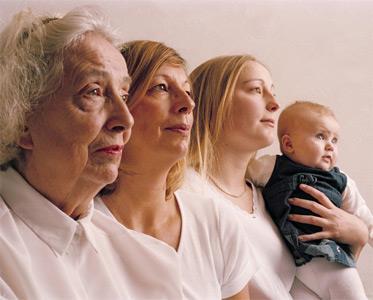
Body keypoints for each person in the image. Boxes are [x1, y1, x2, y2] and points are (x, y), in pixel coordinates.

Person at [0, 8, 184, 299]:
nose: (126, 119)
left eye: (124, 95)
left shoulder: (147, 261)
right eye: (93, 92)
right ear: (23, 119)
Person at [184, 54, 370, 299]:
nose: (274, 104)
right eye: (256, 90)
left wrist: (357, 236)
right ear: (214, 102)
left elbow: (322, 277)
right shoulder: (186, 192)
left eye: (272, 91)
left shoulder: (270, 196)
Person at [95, 40, 257, 299]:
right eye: (160, 88)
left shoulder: (215, 222)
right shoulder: (82, 227)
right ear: (119, 105)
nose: (187, 104)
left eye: (189, 92)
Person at [247, 100, 372, 299]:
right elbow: (242, 173)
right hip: (295, 267)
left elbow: (364, 218)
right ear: (288, 144)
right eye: (321, 136)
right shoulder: (271, 168)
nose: (330, 146)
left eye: (335, 140)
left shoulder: (341, 181)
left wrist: (363, 233)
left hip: (333, 260)